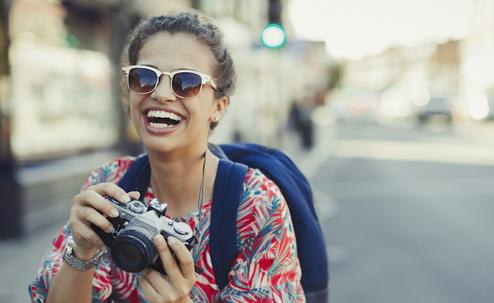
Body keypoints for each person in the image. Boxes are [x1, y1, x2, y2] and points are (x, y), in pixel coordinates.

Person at [29, 12, 305, 303]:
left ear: (219, 107)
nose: (160, 94)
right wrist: (81, 254)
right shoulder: (110, 184)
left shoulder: (255, 205)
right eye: (145, 77)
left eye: (186, 82)